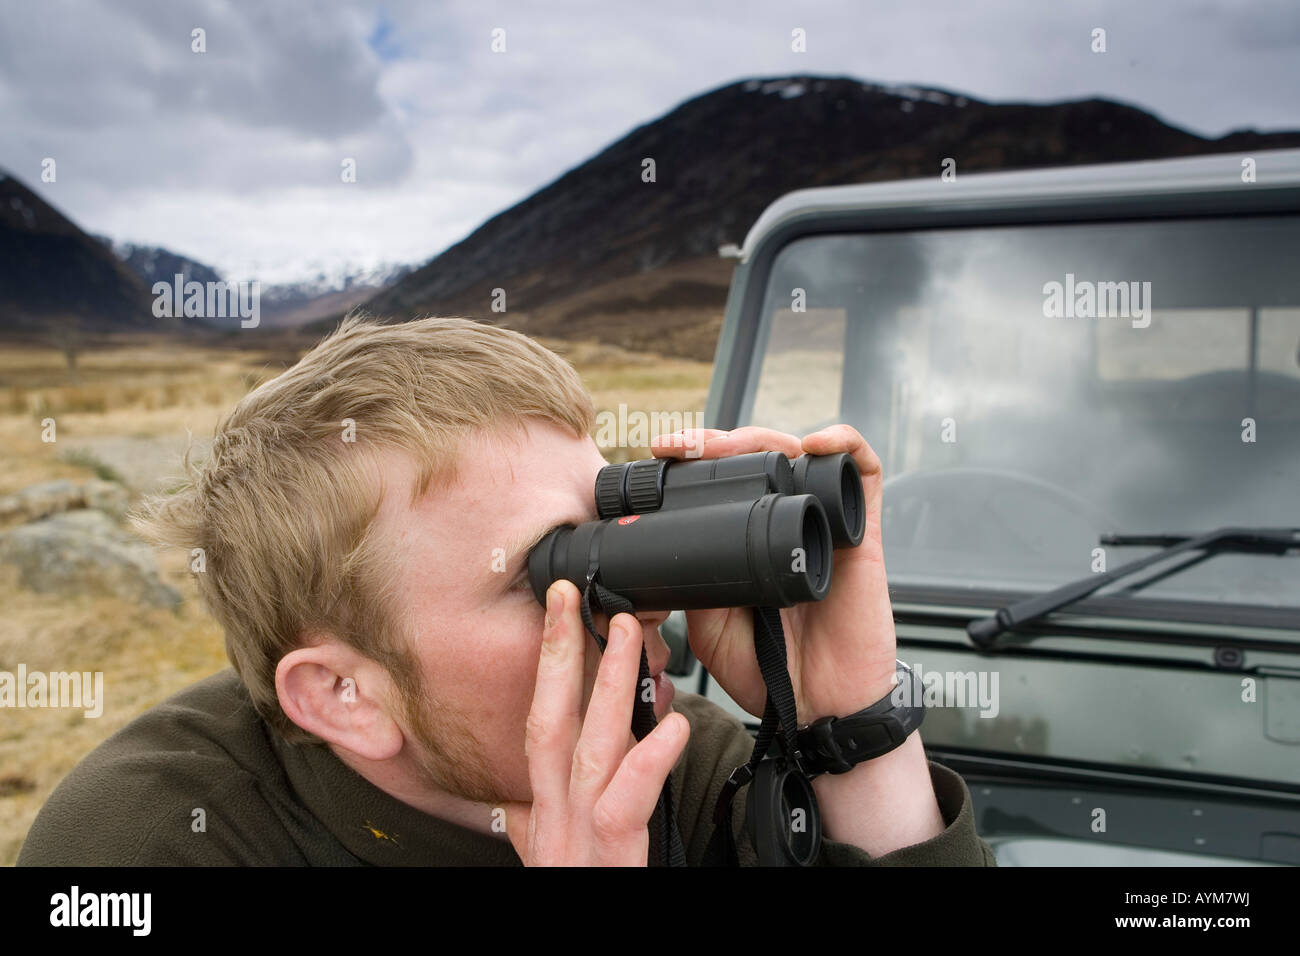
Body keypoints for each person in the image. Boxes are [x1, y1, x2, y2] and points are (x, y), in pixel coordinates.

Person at [18, 316, 995, 866]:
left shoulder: (673, 764)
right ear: (342, 693)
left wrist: (848, 721)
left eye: (621, 540)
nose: (639, 609)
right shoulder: (146, 846)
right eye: (555, 574)